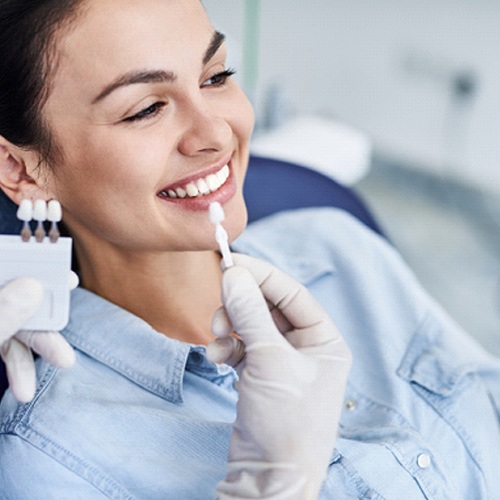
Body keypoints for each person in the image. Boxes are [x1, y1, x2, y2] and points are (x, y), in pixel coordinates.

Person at [0, 0, 498, 498]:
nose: (216, 133)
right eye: (146, 109)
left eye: (216, 76)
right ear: (20, 170)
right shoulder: (51, 456)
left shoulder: (338, 247)